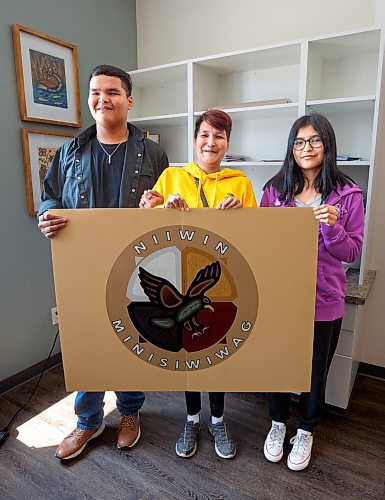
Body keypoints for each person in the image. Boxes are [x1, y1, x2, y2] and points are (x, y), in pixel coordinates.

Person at [37, 64, 169, 460]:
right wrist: (47, 216)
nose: (102, 99)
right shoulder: (70, 152)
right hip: (84, 267)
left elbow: (169, 208)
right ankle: (88, 420)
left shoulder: (154, 152)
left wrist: (159, 206)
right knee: (89, 342)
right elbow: (49, 196)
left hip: (137, 268)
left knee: (133, 338)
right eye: (95, 92)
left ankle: (129, 412)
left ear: (129, 100)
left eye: (112, 92)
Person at [139, 109, 257, 459]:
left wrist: (242, 214)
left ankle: (218, 419)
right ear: (195, 139)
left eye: (219, 136)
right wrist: (161, 207)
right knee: (189, 351)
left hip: (222, 281)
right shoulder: (171, 176)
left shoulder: (241, 183)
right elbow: (144, 224)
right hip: (177, 279)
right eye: (205, 134)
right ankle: (191, 418)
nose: (211, 142)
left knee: (214, 350)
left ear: (228, 143)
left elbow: (256, 237)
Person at [260, 114, 364, 471]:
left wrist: (333, 227)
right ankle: (277, 423)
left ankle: (305, 429)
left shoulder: (348, 194)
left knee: (316, 370)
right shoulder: (275, 190)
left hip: (325, 298)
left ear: (327, 145)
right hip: (281, 299)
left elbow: (351, 252)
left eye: (314, 140)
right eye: (299, 141)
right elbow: (262, 243)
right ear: (291, 148)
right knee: (277, 366)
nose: (306, 148)